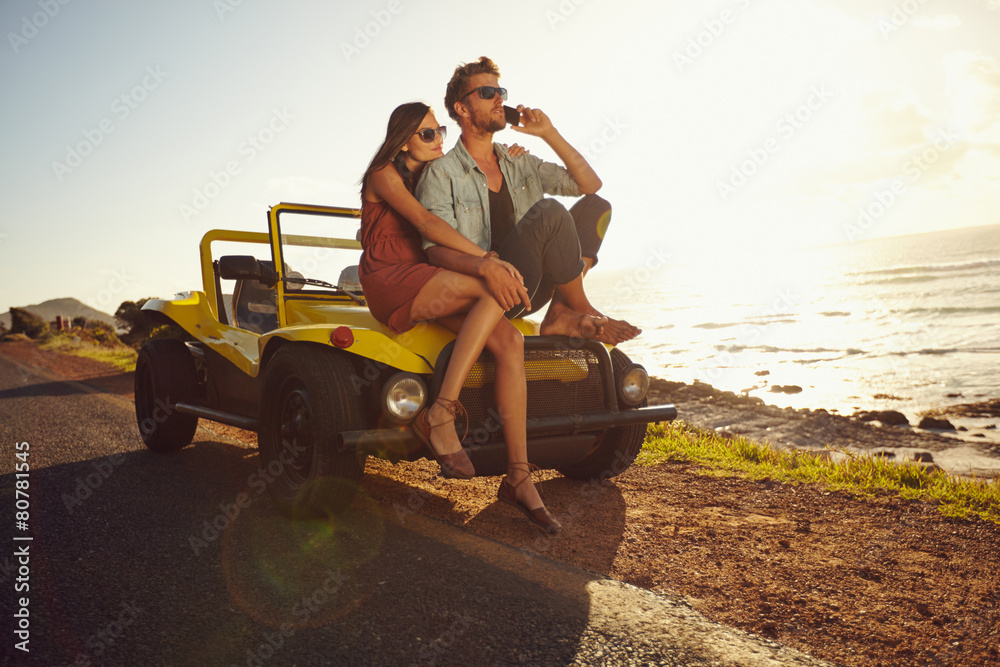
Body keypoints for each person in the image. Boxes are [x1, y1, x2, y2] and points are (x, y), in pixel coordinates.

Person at [358, 102, 561, 534]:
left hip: (432, 278)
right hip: (392, 279)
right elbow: (426, 224)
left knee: (512, 343)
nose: (438, 141)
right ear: (403, 138)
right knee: (493, 284)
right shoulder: (383, 173)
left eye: (441, 133)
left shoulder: (436, 176)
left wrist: (509, 160)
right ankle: (441, 412)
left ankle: (519, 476)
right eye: (427, 134)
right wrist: (486, 260)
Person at [416, 56, 640, 346]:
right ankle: (582, 307)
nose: (499, 99)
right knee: (549, 212)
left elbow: (590, 185)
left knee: (596, 208)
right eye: (487, 93)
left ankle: (560, 310)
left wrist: (548, 133)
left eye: (501, 93)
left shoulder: (519, 161)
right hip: (493, 293)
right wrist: (486, 265)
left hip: (535, 288)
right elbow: (436, 250)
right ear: (462, 108)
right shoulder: (441, 173)